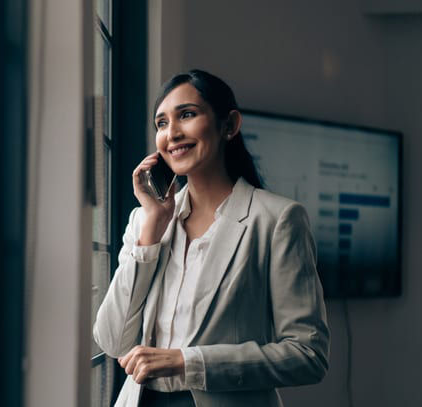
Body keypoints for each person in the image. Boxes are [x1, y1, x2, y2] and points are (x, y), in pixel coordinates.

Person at [93, 69, 330, 407]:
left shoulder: (278, 220)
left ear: (229, 125)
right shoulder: (145, 220)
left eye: (186, 115)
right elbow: (113, 341)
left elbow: (308, 354)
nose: (172, 133)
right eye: (161, 123)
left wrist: (187, 361)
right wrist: (149, 234)